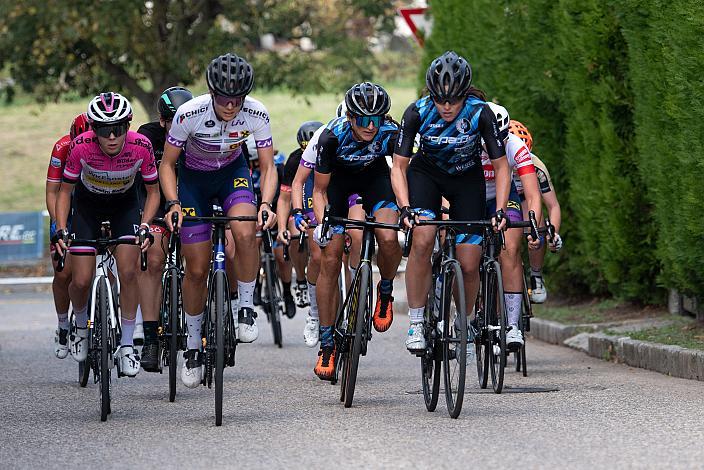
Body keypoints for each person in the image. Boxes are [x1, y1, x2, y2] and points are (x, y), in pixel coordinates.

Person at [160, 53, 278, 388]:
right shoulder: (189, 114)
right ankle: (193, 346)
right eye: (225, 99)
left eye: (237, 99)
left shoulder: (256, 112)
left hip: (232, 174)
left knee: (245, 228)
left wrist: (266, 203)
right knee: (196, 269)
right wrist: (173, 202)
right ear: (212, 93)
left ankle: (245, 307)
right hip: (194, 182)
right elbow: (167, 165)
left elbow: (268, 167)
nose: (231, 106)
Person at [390, 51, 511, 352]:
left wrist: (500, 210)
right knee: (423, 237)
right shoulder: (416, 112)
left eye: (453, 100)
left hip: (466, 178)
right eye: (440, 99)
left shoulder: (480, 112)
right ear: (430, 94)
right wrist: (405, 207)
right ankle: (417, 322)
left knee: (470, 261)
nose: (446, 107)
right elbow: (400, 167)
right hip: (426, 175)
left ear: (464, 95)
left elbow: (501, 167)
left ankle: (464, 320)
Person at [54, 92, 158, 377]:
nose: (111, 136)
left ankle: (126, 345)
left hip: (124, 206)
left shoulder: (141, 146)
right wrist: (61, 228)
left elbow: (153, 192)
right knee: (81, 279)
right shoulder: (80, 148)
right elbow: (65, 192)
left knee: (128, 271)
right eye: (103, 129)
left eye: (119, 128)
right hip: (88, 207)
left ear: (129, 125)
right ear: (92, 128)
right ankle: (79, 326)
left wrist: (147, 224)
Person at [311, 82, 402, 380]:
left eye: (377, 119)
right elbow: (320, 191)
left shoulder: (391, 132)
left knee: (388, 236)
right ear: (350, 117)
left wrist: (408, 208)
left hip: (374, 178)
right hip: (338, 184)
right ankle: (327, 343)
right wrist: (324, 223)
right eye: (363, 119)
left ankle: (384, 290)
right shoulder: (331, 137)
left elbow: (402, 171)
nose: (370, 126)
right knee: (330, 257)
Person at [135, 86, 193, 371]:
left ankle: (204, 325)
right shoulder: (147, 136)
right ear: (162, 121)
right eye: (173, 121)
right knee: (153, 260)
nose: (179, 128)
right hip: (157, 201)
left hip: (191, 199)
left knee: (199, 259)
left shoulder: (200, 133)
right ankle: (150, 338)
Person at [482, 104, 542, 349]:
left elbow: (533, 194)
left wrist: (534, 228)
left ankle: (513, 325)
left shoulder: (515, 147)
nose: (495, 143)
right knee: (469, 252)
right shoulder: (467, 144)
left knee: (510, 249)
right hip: (473, 196)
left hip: (507, 198)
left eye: (501, 137)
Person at [46, 113, 91, 359]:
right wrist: (58, 225)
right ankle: (64, 326)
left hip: (96, 202)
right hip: (68, 203)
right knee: (63, 272)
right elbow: (53, 191)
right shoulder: (62, 147)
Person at [509, 119, 563, 303]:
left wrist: (553, 233)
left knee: (538, 224)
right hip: (503, 201)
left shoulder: (537, 166)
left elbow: (553, 205)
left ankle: (536, 275)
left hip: (525, 201)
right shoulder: (494, 160)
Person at [277, 122, 323, 312]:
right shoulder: (296, 160)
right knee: (295, 235)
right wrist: (281, 228)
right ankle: (302, 280)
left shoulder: (332, 152)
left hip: (322, 195)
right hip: (302, 200)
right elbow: (285, 198)